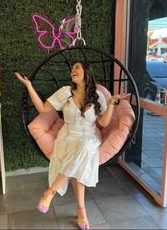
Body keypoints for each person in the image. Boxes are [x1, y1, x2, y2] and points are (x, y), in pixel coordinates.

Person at [15, 61, 130, 230]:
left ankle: (50, 191)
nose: (72, 71)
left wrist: (111, 102)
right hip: (68, 136)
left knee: (84, 149)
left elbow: (104, 123)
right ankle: (81, 209)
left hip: (89, 136)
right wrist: (29, 85)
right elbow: (42, 108)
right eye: (72, 69)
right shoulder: (64, 92)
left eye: (77, 67)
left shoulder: (97, 95)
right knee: (80, 160)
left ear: (86, 72)